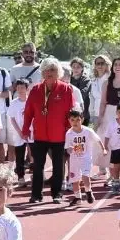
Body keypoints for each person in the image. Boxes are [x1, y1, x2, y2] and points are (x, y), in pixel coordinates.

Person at [21, 58, 81, 204]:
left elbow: (71, 113)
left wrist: (70, 132)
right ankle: (36, 195)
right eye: (46, 70)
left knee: (58, 166)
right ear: (42, 72)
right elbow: (28, 112)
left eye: (53, 70)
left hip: (59, 135)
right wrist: (25, 128)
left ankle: (57, 194)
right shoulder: (35, 90)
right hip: (40, 134)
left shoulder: (66, 89)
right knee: (38, 165)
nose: (49, 73)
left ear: (58, 72)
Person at [63, 109, 103, 205]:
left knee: (85, 176)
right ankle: (78, 198)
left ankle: (88, 192)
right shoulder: (69, 134)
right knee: (75, 180)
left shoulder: (88, 131)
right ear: (69, 120)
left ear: (82, 119)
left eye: (77, 120)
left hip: (86, 157)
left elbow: (98, 140)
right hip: (74, 159)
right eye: (72, 120)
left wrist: (103, 149)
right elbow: (67, 147)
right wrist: (70, 149)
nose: (75, 122)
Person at [7, 79, 31, 187]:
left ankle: (36, 174)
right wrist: (20, 132)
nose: (20, 90)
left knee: (34, 154)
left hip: (31, 132)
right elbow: (12, 118)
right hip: (19, 133)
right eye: (18, 88)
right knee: (20, 155)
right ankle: (21, 177)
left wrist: (29, 130)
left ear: (27, 89)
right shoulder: (14, 103)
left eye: (22, 88)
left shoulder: (31, 101)